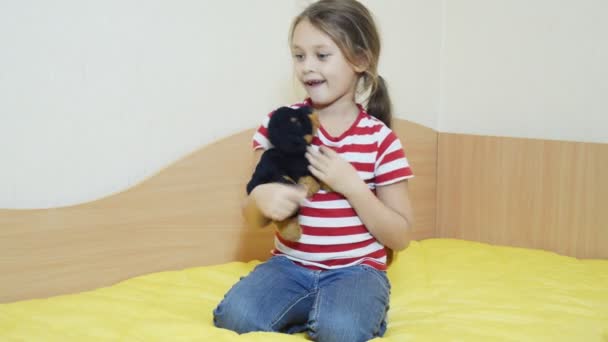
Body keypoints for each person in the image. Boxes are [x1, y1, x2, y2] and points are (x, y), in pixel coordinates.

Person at [213, 1, 414, 340]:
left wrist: (353, 186)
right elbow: (251, 216)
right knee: (236, 316)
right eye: (299, 55)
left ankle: (335, 311)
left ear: (360, 61)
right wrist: (262, 197)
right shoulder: (281, 125)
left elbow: (400, 236)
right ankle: (315, 308)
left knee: (342, 330)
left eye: (322, 55)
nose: (307, 67)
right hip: (291, 266)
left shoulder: (381, 140)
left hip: (357, 271)